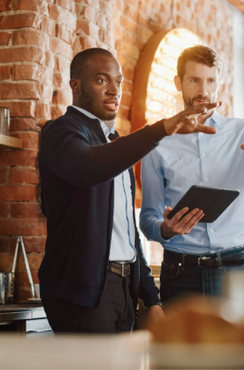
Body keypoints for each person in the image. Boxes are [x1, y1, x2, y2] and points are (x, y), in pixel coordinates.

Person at [38, 48, 221, 333]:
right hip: (82, 296)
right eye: (101, 81)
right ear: (75, 85)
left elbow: (126, 232)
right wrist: (161, 129)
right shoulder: (60, 132)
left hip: (123, 291)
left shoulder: (113, 142)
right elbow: (89, 168)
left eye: (118, 82)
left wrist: (151, 297)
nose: (114, 90)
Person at [140, 45, 244, 304]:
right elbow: (148, 218)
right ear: (178, 83)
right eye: (195, 80)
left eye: (210, 80)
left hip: (236, 270)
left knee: (241, 346)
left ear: (218, 82)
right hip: (181, 274)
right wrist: (165, 229)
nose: (204, 90)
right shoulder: (158, 141)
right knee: (180, 346)